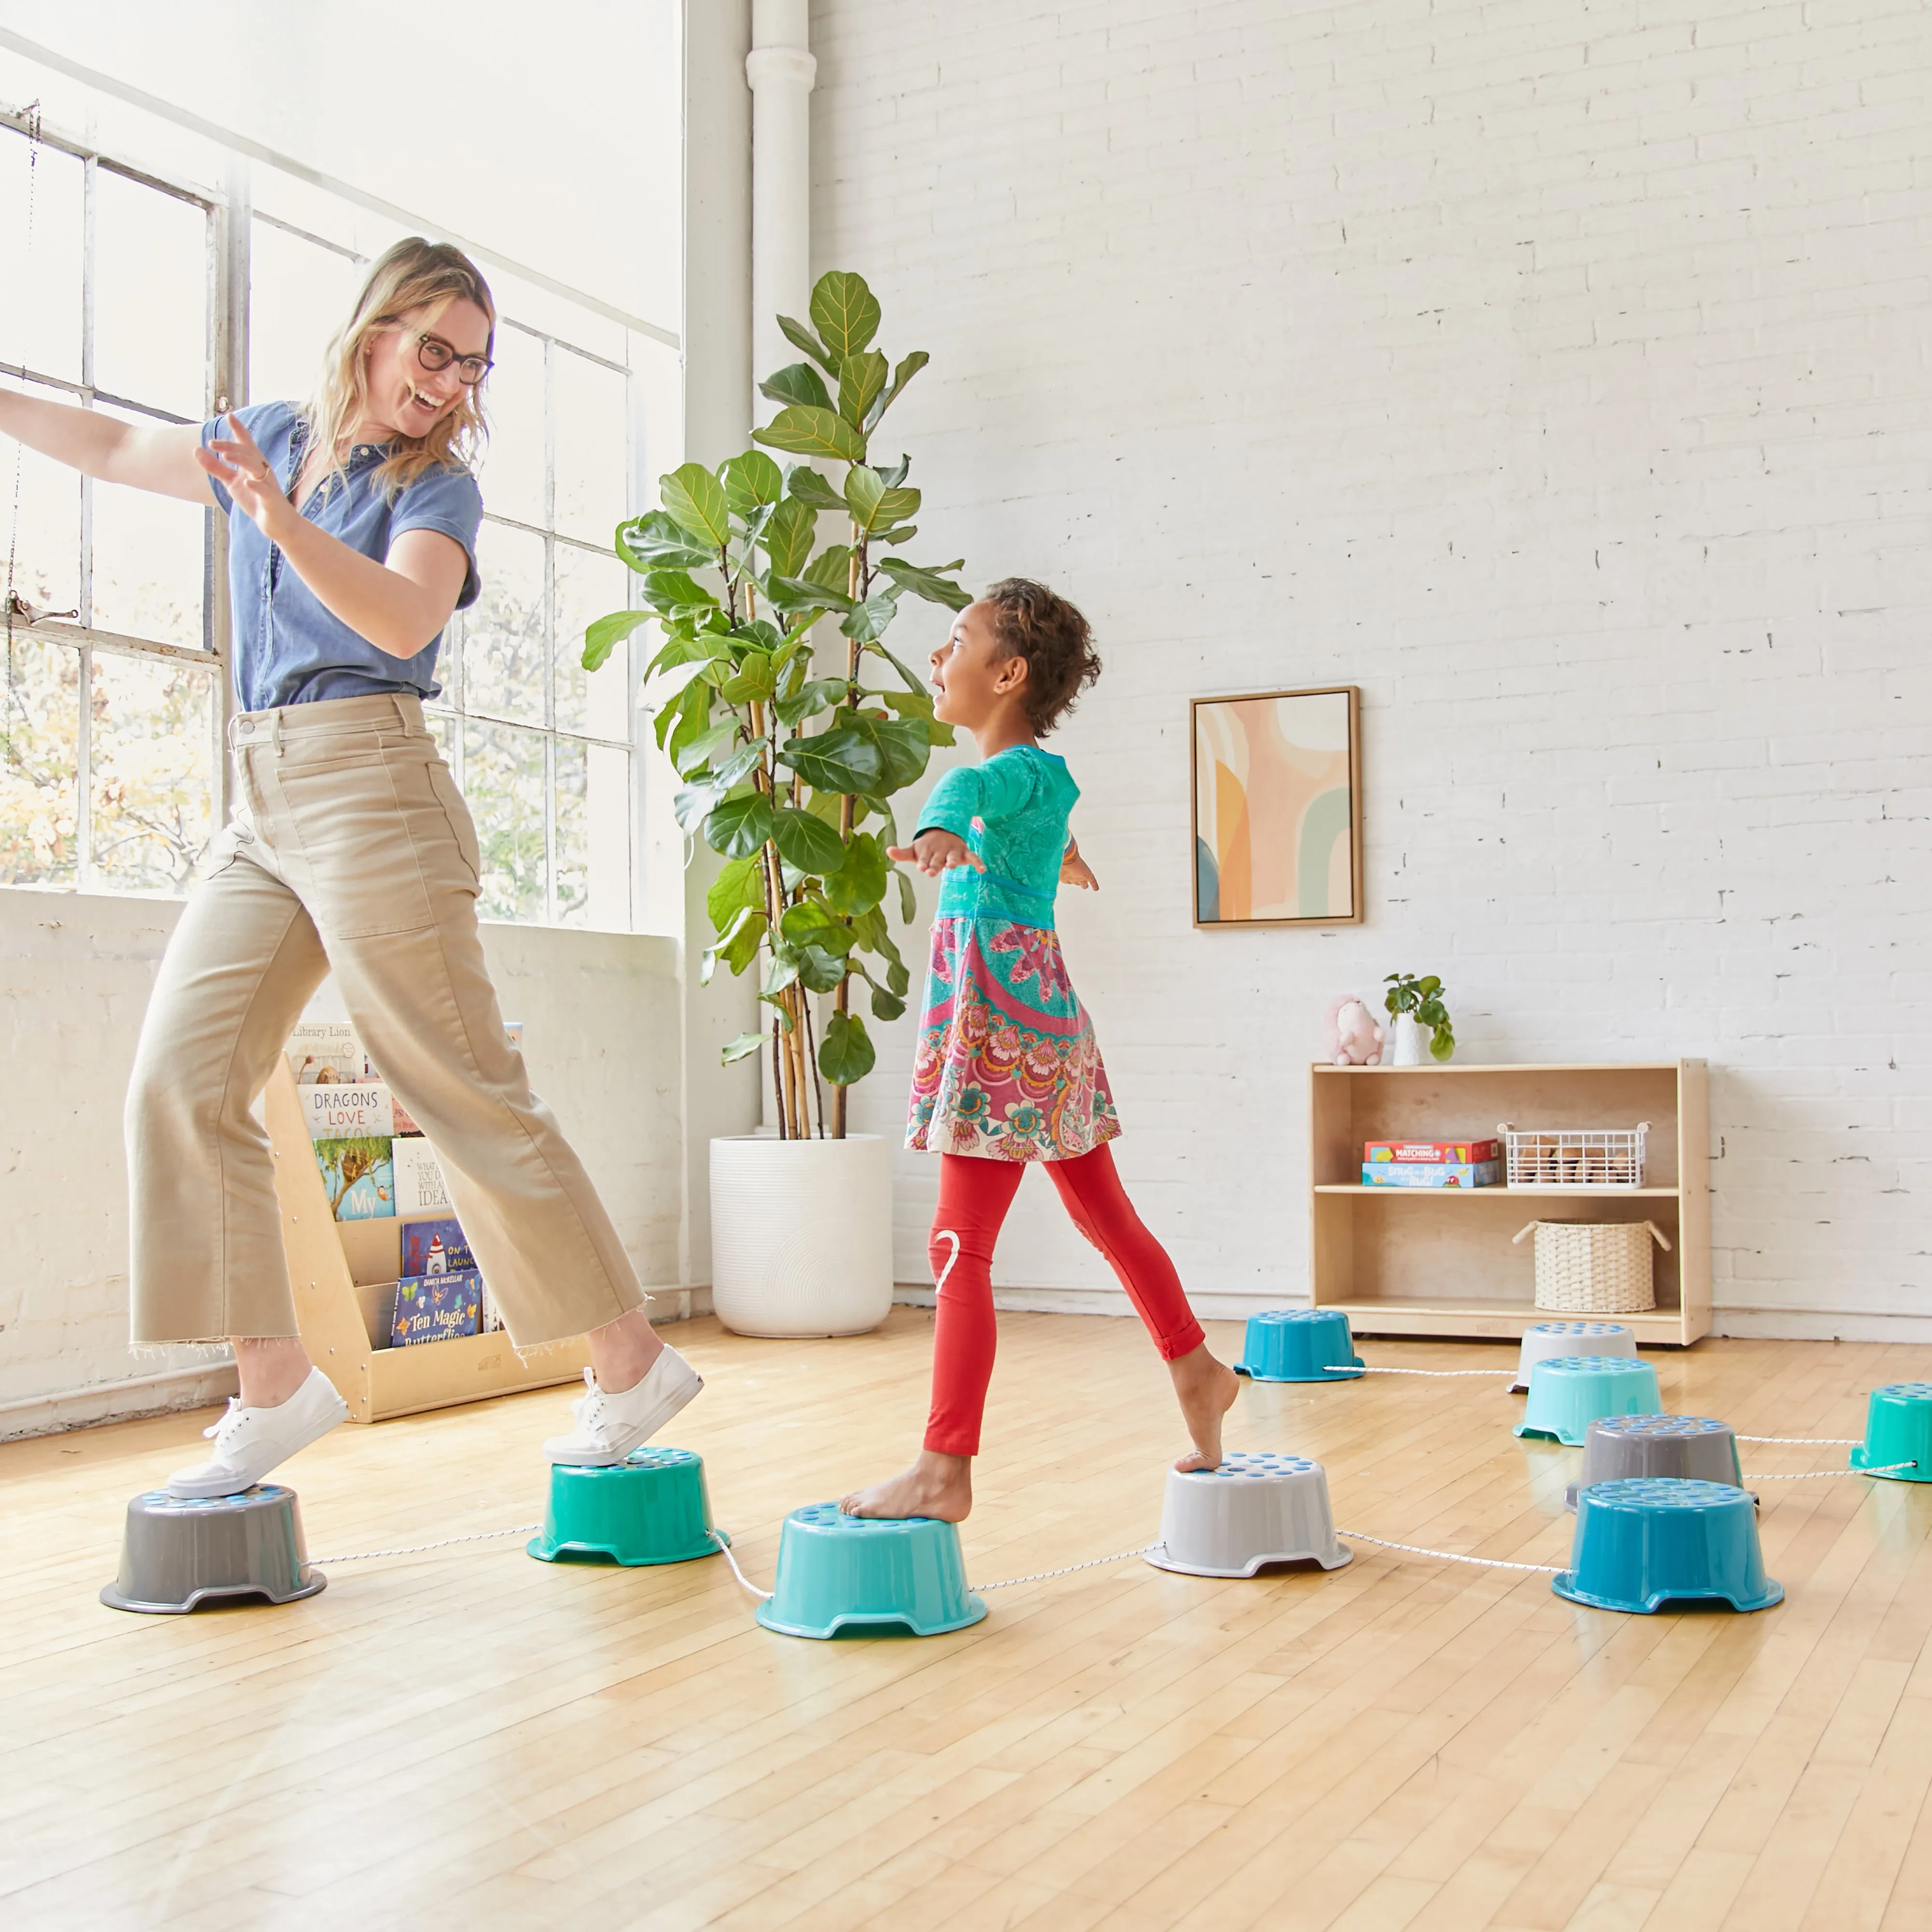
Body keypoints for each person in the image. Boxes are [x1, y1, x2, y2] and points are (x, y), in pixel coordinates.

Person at [0, 238, 699, 1496]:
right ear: (375, 326)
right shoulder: (269, 432)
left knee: (462, 1084)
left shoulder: (440, 492)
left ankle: (631, 1360)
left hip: (376, 785)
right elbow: (112, 451)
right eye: (434, 350)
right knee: (181, 1075)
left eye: (471, 368)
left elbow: (400, 618)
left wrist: (272, 519)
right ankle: (273, 1381)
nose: (447, 384)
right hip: (259, 792)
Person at [841, 579, 1238, 1522]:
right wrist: (1048, 853)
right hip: (1046, 1020)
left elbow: (975, 786)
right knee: (1106, 1215)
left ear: (1007, 672)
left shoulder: (999, 772)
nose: (937, 659)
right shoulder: (1045, 780)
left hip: (999, 1028)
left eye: (955, 640)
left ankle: (943, 1466)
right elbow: (1027, 810)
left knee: (958, 1244)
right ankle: (1196, 1369)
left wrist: (941, 821)